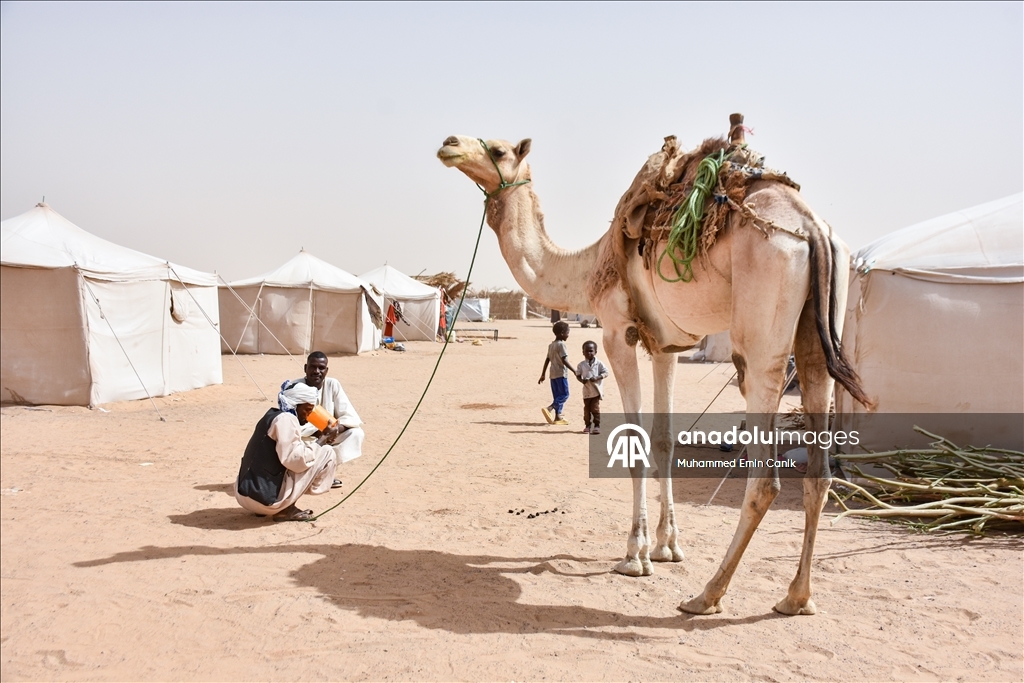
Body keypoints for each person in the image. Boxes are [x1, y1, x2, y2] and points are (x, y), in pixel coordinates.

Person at [235, 382, 343, 521]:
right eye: (307, 410)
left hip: (244, 495)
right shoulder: (287, 419)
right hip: (264, 501)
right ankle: (285, 510)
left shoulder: (271, 415)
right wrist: (323, 440)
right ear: (295, 405)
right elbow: (295, 461)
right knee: (326, 452)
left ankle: (266, 506)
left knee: (307, 451)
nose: (309, 415)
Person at [280, 352, 365, 473]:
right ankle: (314, 472)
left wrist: (334, 430)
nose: (316, 371)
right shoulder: (296, 388)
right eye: (312, 367)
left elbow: (350, 416)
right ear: (305, 368)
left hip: (329, 435)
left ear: (327, 370)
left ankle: (326, 470)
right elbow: (288, 421)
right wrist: (317, 432)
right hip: (304, 438)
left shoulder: (332, 384)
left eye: (321, 368)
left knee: (356, 434)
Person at [538, 321, 574, 425]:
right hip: (561, 374)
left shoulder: (551, 345)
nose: (568, 335)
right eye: (567, 332)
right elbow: (564, 360)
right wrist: (574, 370)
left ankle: (558, 417)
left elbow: (547, 360)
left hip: (552, 374)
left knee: (557, 396)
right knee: (565, 394)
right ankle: (550, 408)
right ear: (562, 333)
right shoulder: (561, 345)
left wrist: (543, 374)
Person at [575, 340, 609, 435]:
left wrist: (597, 377)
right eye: (586, 351)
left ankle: (597, 425)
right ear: (583, 352)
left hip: (596, 391)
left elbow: (606, 372)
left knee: (595, 408)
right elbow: (577, 375)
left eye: (591, 351)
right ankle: (587, 425)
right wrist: (582, 380)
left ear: (595, 352)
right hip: (586, 391)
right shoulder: (581, 365)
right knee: (587, 410)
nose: (589, 353)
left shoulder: (599, 364)